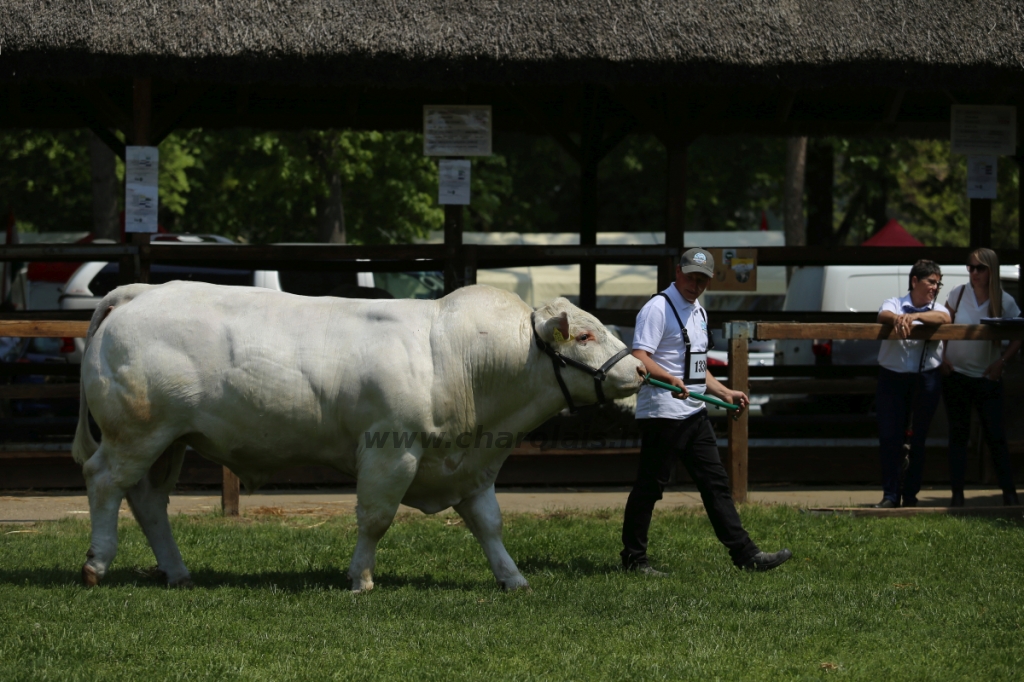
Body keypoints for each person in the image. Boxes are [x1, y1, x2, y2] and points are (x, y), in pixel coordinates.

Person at [621, 247, 792, 574]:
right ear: (678, 272)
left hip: (694, 413)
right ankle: (633, 559)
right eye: (691, 276)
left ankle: (746, 556)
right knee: (650, 487)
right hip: (663, 414)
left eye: (703, 280)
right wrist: (670, 378)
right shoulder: (658, 309)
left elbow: (697, 369)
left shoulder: (699, 311)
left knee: (715, 484)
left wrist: (725, 391)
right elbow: (640, 357)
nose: (696, 284)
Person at [940, 248, 1021, 507]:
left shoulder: (1004, 300)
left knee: (995, 436)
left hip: (987, 377)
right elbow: (942, 324)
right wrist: (941, 357)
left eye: (980, 268)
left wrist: (1002, 361)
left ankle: (1009, 494)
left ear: (991, 270)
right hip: (956, 375)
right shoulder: (958, 293)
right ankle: (957, 495)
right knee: (958, 436)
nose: (974, 273)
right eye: (970, 267)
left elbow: (1019, 333)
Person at [874, 259, 951, 508]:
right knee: (889, 437)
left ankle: (911, 496)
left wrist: (916, 316)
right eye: (931, 281)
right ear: (915, 281)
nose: (935, 287)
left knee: (918, 438)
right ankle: (890, 495)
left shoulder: (936, 308)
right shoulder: (894, 303)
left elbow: (945, 317)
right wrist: (898, 317)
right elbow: (882, 314)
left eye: (938, 283)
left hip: (925, 377)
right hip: (892, 377)